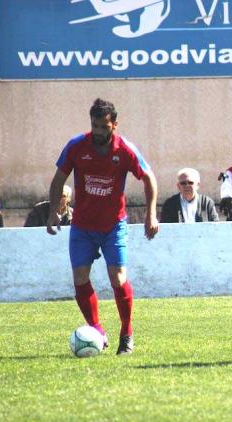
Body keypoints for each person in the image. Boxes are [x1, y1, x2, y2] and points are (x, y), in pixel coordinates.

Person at [46, 98, 159, 356]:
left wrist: (151, 214)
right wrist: (53, 212)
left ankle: (126, 334)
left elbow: (149, 178)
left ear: (114, 125)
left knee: (118, 278)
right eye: (94, 126)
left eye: (102, 127)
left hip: (113, 225)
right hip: (83, 226)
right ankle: (97, 329)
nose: (97, 132)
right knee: (80, 278)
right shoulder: (76, 146)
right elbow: (57, 181)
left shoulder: (125, 150)